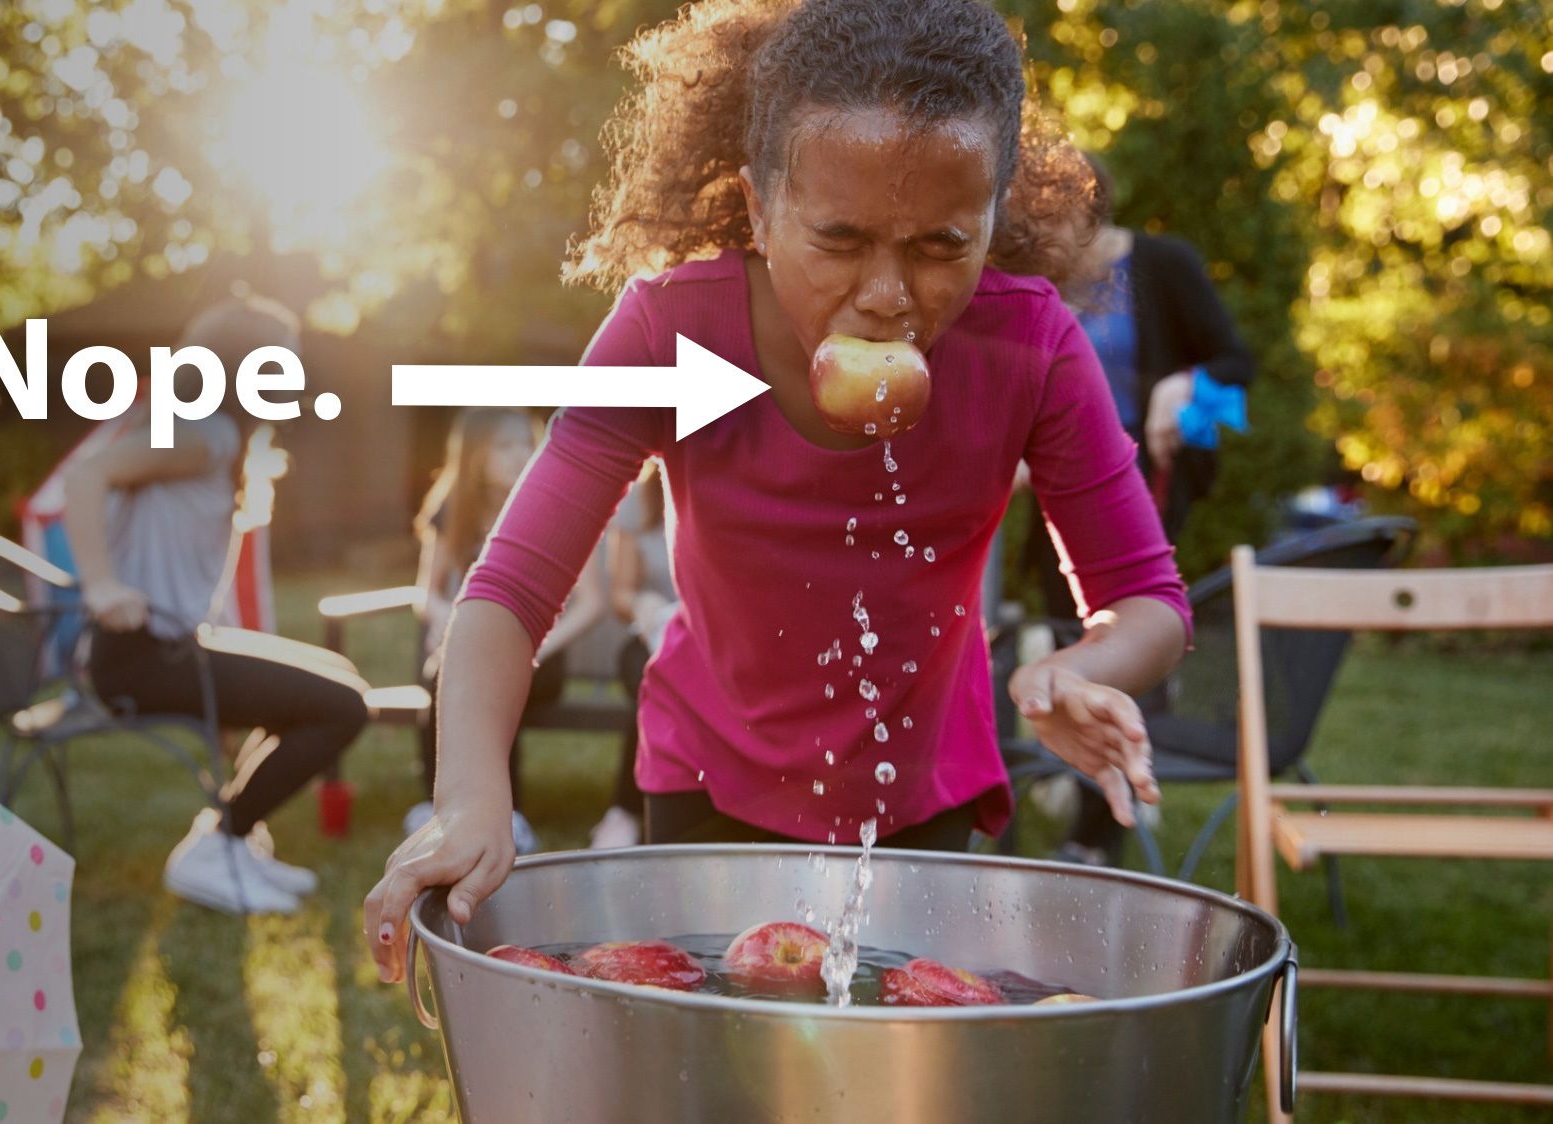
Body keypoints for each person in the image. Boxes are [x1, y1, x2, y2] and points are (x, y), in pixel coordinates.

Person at [365, 0, 1193, 977]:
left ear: (996, 207)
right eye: (839, 239)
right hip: (707, 788)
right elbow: (508, 589)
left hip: (925, 800)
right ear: (760, 207)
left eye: (939, 245)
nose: (888, 292)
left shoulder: (1034, 343)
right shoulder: (668, 329)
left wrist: (1079, 671)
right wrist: (470, 790)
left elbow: (1149, 600)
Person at [63, 296, 369, 915]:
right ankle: (219, 843)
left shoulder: (212, 434)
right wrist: (99, 586)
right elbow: (83, 475)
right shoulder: (205, 432)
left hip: (173, 646)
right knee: (342, 707)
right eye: (284, 359)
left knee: (333, 684)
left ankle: (228, 841)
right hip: (142, 654)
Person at [1031, 151, 1257, 867]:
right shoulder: (1036, 284)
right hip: (1051, 497)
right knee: (1068, 645)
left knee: (1123, 646)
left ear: (1093, 208)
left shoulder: (1162, 265)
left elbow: (1234, 359)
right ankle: (1088, 801)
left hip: (1143, 491)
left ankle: (1096, 835)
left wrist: (1179, 385)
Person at [406, 406, 607, 855]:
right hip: (464, 647)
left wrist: (533, 646)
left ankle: (503, 813)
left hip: (539, 653)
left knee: (487, 673)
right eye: (504, 444)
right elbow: (427, 592)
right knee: (450, 665)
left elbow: (592, 602)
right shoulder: (452, 508)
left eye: (525, 441)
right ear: (475, 455)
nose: (520, 453)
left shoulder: (560, 505)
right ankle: (437, 807)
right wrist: (441, 616)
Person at [588, 461, 677, 849]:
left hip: (714, 638)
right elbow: (621, 594)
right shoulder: (640, 502)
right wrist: (643, 602)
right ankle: (626, 810)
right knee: (654, 679)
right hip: (651, 634)